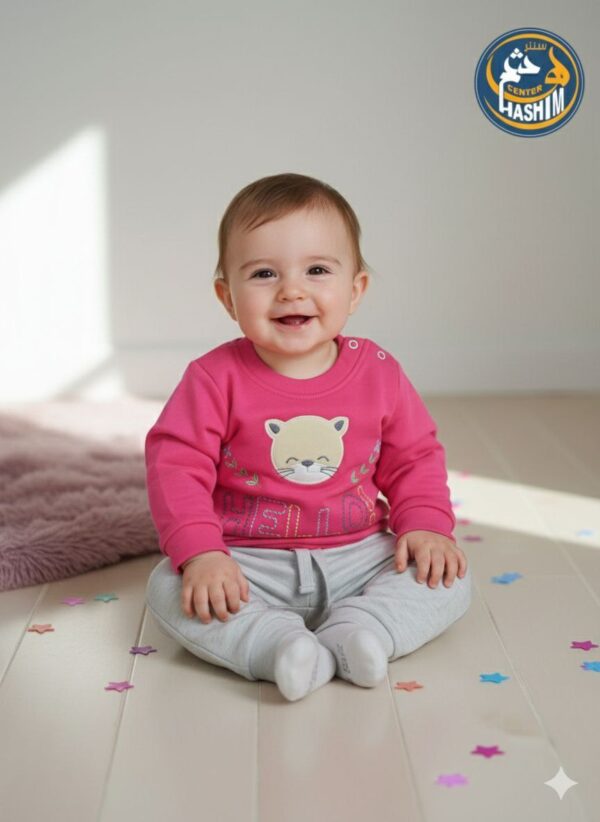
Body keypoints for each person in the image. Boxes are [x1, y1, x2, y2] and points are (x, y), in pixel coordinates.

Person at [144, 172, 472, 702]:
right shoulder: (213, 378)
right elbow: (175, 468)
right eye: (264, 273)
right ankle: (277, 646)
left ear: (355, 290)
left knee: (448, 576)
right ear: (228, 297)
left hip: (359, 555)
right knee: (168, 586)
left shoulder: (379, 372)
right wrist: (202, 554)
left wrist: (427, 526)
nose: (291, 290)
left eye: (317, 270)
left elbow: (413, 458)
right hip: (246, 561)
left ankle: (362, 630)